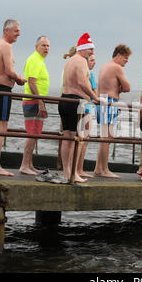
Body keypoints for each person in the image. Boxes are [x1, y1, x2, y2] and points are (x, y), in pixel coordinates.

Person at [0, 19, 26, 176]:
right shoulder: (6, 46)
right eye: (16, 30)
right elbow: (9, 70)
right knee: (0, 129)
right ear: (6, 30)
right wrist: (19, 79)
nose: (19, 33)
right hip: (1, 90)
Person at [59, 33, 99, 182]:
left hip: (64, 100)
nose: (92, 53)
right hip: (75, 102)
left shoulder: (69, 61)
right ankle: (73, 173)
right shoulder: (81, 61)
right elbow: (82, 83)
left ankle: (67, 172)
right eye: (90, 49)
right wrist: (95, 98)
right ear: (82, 48)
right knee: (75, 138)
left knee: (67, 137)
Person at [93, 44, 132, 178]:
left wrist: (118, 88)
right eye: (125, 58)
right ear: (118, 56)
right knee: (106, 138)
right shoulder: (116, 67)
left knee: (105, 137)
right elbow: (127, 87)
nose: (126, 61)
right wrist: (120, 88)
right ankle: (104, 169)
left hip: (102, 100)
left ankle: (98, 167)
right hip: (108, 102)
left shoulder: (105, 66)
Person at [19, 36, 50, 175]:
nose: (46, 48)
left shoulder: (39, 60)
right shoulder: (35, 59)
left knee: (35, 134)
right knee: (31, 134)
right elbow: (32, 82)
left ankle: (29, 164)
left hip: (36, 101)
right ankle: (24, 165)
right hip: (33, 101)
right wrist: (40, 102)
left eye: (48, 46)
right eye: (43, 45)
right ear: (36, 47)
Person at [76, 53, 98, 178]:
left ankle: (79, 168)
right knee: (82, 140)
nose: (94, 62)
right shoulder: (88, 74)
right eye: (92, 60)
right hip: (86, 108)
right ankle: (78, 169)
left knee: (84, 139)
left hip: (87, 106)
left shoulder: (89, 74)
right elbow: (94, 91)